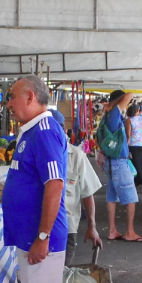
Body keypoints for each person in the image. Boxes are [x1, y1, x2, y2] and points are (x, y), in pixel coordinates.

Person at [1, 75, 73, 283]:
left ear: (30, 97)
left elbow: (54, 185)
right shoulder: (32, 130)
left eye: (13, 97)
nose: (9, 103)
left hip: (40, 238)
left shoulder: (43, 131)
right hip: (32, 235)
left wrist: (42, 237)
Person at [52, 109, 103, 256]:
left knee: (62, 271)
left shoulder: (76, 156)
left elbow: (87, 193)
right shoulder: (36, 154)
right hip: (37, 226)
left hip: (66, 227)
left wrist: (92, 226)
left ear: (63, 129)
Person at [100, 89, 142, 243]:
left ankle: (112, 230)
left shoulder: (109, 116)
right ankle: (130, 231)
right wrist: (113, 103)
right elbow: (130, 94)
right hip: (119, 162)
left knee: (112, 197)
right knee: (131, 196)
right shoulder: (113, 114)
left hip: (111, 162)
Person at [126, 103, 142, 192]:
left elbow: (128, 135)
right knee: (141, 165)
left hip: (132, 145)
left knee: (133, 165)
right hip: (140, 145)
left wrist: (126, 145)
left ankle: (139, 183)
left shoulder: (129, 120)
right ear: (138, 111)